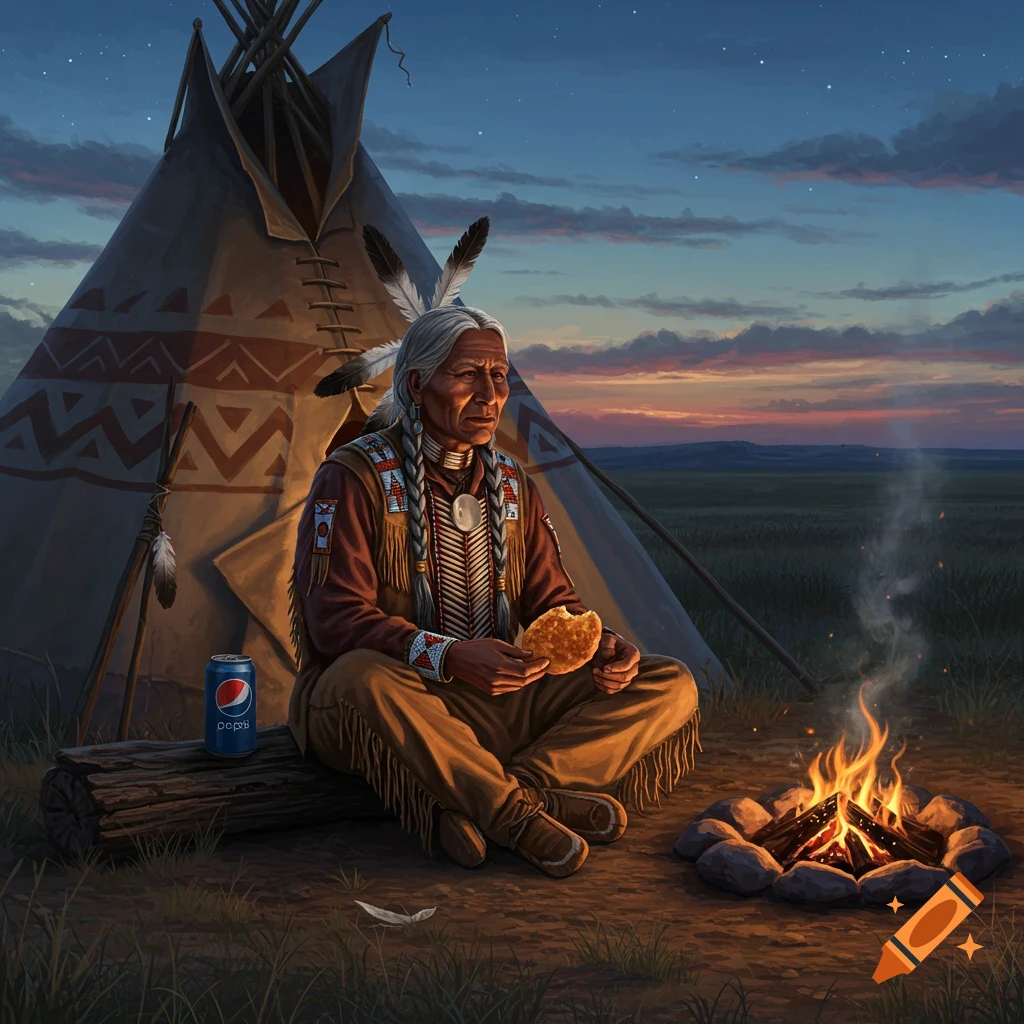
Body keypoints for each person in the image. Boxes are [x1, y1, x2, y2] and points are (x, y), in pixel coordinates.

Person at [287, 220, 699, 878]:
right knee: (362, 679)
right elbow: (333, 621)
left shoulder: (512, 485)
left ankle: (514, 793)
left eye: (500, 377)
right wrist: (448, 656)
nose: (491, 396)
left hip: (505, 700)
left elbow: (551, 601)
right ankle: (515, 817)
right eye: (468, 376)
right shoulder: (354, 476)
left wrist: (601, 646)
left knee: (668, 683)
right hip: (399, 702)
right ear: (416, 387)